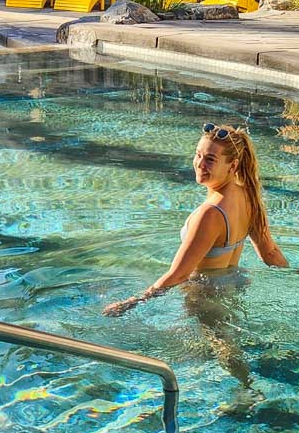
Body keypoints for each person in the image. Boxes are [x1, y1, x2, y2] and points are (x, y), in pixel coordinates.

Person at [103, 122, 289, 319]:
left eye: (210, 159)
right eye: (198, 155)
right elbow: (270, 253)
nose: (200, 164)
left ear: (233, 165)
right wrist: (293, 273)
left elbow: (179, 274)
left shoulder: (210, 214)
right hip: (235, 283)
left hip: (205, 296)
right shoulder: (248, 196)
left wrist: (133, 302)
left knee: (214, 340)